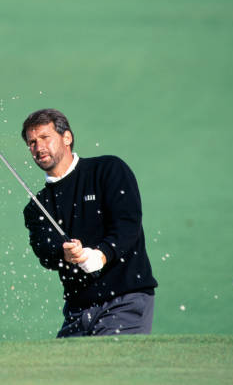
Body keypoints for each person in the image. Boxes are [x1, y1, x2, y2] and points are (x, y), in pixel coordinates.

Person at [21, 108, 158, 337]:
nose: (38, 147)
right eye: (32, 142)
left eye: (45, 138)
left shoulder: (107, 170)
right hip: (76, 312)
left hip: (125, 300)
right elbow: (45, 252)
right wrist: (66, 253)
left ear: (67, 137)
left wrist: (101, 255)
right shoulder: (37, 206)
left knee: (110, 370)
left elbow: (127, 223)